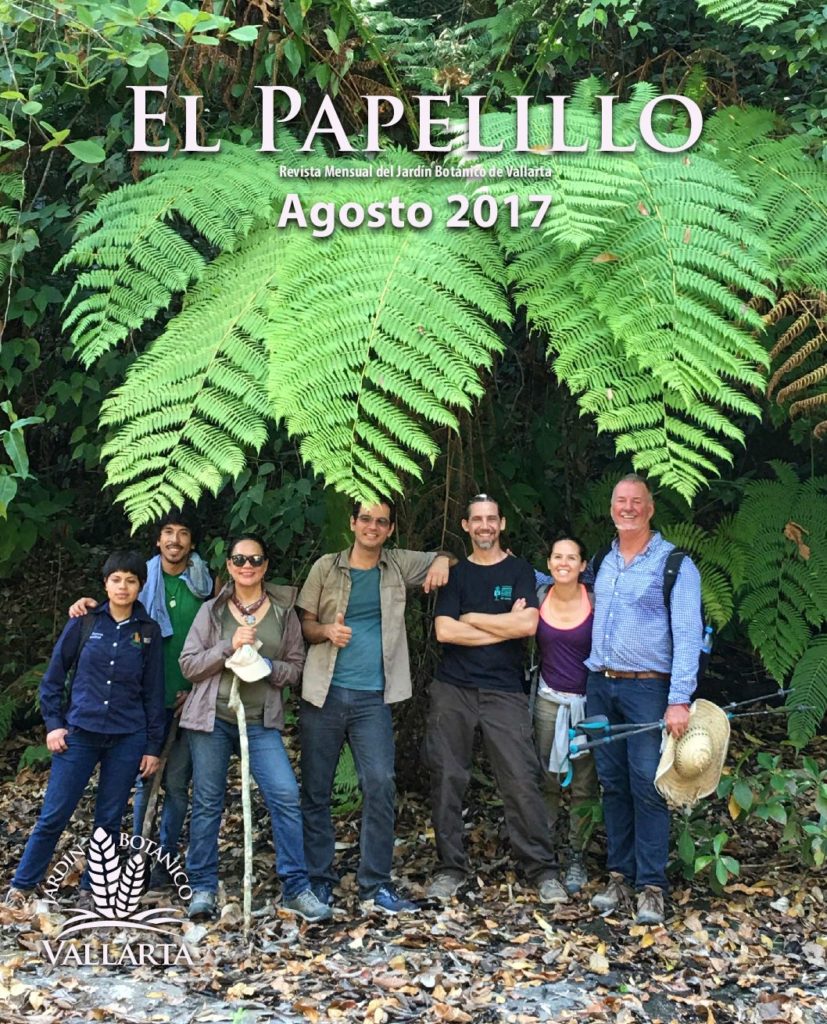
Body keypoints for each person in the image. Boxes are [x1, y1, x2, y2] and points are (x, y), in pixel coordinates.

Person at [297, 499, 452, 914]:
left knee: (381, 783)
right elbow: (304, 624)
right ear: (352, 523)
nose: (372, 526)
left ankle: (375, 885)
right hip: (325, 692)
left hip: (373, 698)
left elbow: (446, 556)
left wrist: (441, 561)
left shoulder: (397, 564)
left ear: (390, 529)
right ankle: (318, 879)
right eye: (365, 518)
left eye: (381, 521)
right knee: (316, 788)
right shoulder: (326, 567)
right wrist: (326, 631)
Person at [178, 533, 331, 923]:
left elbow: (295, 668)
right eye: (240, 560)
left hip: (261, 721)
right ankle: (202, 887)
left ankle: (296, 888)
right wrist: (227, 646)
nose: (247, 566)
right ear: (229, 566)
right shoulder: (212, 611)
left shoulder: (283, 613)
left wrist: (267, 668)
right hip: (212, 718)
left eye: (256, 560)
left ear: (265, 566)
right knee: (208, 801)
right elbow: (189, 665)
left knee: (284, 793)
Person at [424, 494, 567, 904]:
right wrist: (503, 624)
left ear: (502, 524)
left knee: (521, 777)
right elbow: (444, 632)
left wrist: (472, 619)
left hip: (504, 689)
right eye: (477, 519)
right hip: (454, 688)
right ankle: (450, 868)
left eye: (491, 519)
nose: (484, 526)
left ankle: (541, 868)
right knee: (447, 777)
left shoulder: (519, 570)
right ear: (466, 526)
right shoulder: (457, 574)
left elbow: (528, 626)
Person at [6, 551, 164, 905]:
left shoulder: (148, 632)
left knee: (109, 819)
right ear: (105, 583)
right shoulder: (84, 622)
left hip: (127, 736)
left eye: (131, 580)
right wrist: (53, 725)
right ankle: (22, 885)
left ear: (141, 586)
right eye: (116, 579)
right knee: (54, 814)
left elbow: (154, 692)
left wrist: (152, 746)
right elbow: (53, 678)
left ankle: (93, 891)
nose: (123, 587)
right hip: (79, 732)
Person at [68, 509, 212, 887]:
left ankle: (166, 858)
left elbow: (213, 641)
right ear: (158, 539)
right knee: (144, 781)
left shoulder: (204, 585)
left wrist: (196, 688)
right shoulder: (139, 581)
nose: (175, 540)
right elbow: (111, 613)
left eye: (183, 533)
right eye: (168, 532)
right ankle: (138, 856)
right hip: (143, 701)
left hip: (190, 697)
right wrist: (84, 604)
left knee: (177, 783)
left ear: (192, 542)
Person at [585, 474, 702, 926]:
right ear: (611, 507)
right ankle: (619, 875)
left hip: (648, 690)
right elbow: (565, 590)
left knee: (647, 784)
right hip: (601, 686)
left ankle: (652, 886)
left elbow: (688, 636)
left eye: (637, 501)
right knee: (612, 783)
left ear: (651, 509)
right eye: (621, 501)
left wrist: (679, 700)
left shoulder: (674, 565)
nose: (628, 508)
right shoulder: (603, 560)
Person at [532, 534, 600, 895]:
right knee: (547, 776)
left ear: (583, 565)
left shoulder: (596, 601)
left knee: (584, 784)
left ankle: (577, 854)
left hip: (587, 703)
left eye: (572, 557)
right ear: (548, 563)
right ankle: (544, 852)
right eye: (557, 556)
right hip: (547, 701)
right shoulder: (539, 595)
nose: (564, 563)